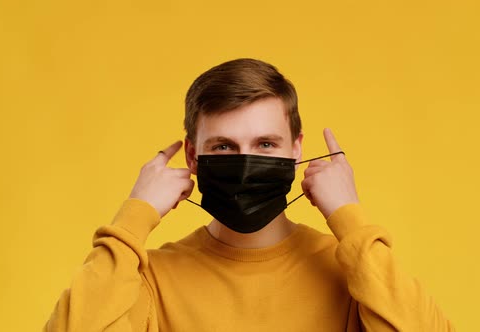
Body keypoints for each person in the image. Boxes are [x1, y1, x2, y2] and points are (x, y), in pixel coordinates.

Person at [44, 58, 454, 331]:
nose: (245, 161)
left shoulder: (351, 273)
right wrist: (132, 219)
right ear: (192, 155)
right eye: (223, 146)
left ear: (296, 149)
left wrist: (351, 217)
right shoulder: (149, 279)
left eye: (265, 145)